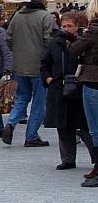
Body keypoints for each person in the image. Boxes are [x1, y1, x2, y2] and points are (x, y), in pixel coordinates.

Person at [41, 11, 97, 173]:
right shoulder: (56, 43)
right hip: (59, 88)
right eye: (63, 26)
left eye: (69, 26)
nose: (66, 29)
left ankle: (95, 159)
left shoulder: (83, 41)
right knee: (63, 125)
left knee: (85, 126)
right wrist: (48, 78)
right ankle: (67, 159)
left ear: (76, 27)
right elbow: (45, 63)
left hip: (78, 88)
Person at [2, 0, 53, 147]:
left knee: (21, 98)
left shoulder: (17, 16)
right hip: (38, 66)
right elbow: (49, 41)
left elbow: (8, 39)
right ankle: (31, 136)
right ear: (44, 0)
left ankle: (10, 123)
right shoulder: (45, 16)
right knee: (38, 102)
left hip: (19, 65)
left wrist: (18, 52)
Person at [70, 0, 98, 186]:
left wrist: (71, 38)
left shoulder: (93, 30)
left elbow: (74, 50)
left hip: (93, 81)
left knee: (95, 129)